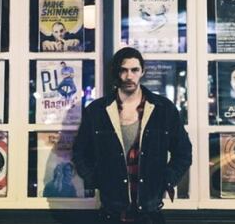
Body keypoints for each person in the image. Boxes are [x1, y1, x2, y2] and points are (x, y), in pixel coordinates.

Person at [72, 47, 191, 223]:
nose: (129, 76)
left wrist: (166, 179)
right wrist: (97, 180)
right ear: (116, 72)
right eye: (123, 70)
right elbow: (80, 153)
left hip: (150, 211)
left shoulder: (163, 109)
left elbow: (183, 152)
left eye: (134, 70)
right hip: (112, 210)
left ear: (142, 71)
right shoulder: (97, 111)